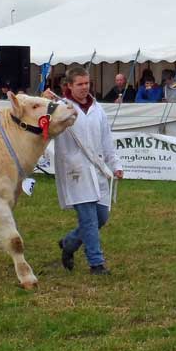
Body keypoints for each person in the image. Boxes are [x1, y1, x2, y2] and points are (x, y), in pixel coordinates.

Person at [52, 66, 123, 275]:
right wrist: (44, 99)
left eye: (87, 83)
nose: (84, 88)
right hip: (76, 171)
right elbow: (41, 121)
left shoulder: (98, 109)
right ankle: (96, 263)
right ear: (69, 86)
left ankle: (69, 242)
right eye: (80, 84)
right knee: (89, 220)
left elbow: (106, 140)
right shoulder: (60, 107)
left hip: (98, 168)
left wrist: (115, 165)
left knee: (101, 217)